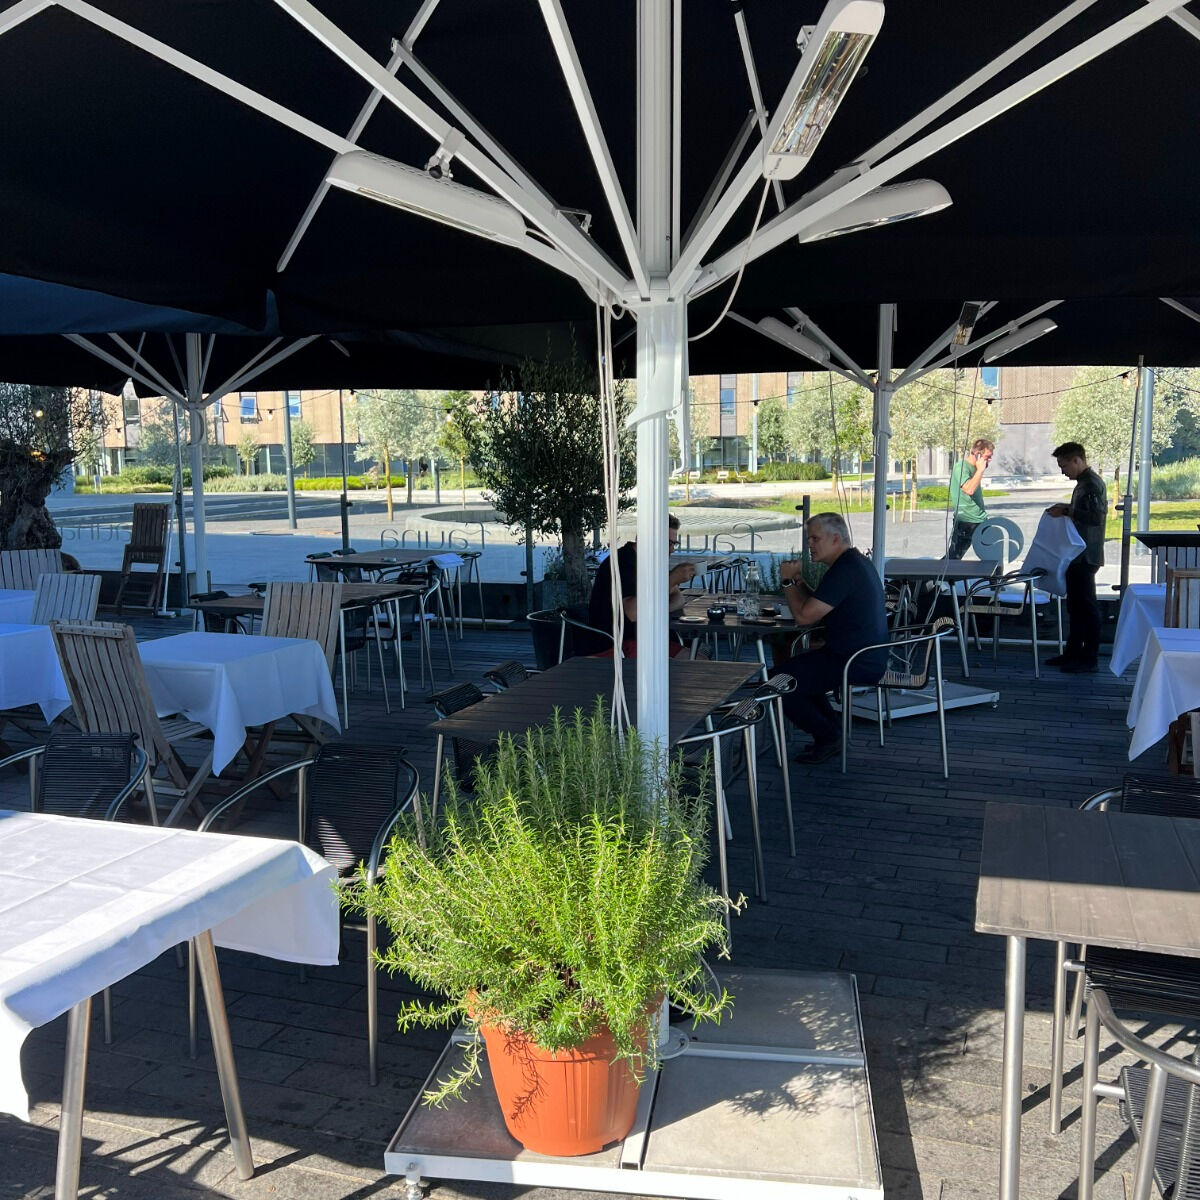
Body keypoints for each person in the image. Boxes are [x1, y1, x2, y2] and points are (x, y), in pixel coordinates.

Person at [774, 512, 890, 764]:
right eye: (809, 539)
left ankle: (829, 737)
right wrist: (798, 581)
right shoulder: (851, 563)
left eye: (815, 538)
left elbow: (804, 617)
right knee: (795, 675)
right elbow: (818, 604)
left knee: (779, 681)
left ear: (836, 538)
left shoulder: (845, 570)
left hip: (855, 660)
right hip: (859, 654)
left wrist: (786, 581)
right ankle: (832, 735)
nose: (809, 544)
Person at [588, 513, 695, 656]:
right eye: (667, 543)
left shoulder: (652, 561)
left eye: (674, 543)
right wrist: (672, 579)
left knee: (700, 655)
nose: (672, 550)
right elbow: (633, 613)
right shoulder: (621, 563)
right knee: (696, 660)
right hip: (617, 645)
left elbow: (678, 598)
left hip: (647, 639)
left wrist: (655, 610)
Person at [1045, 441, 1107, 673]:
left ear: (1076, 460)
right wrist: (1066, 508)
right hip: (1079, 554)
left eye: (1064, 465)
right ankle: (1073, 653)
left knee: (1086, 607)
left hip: (1085, 554)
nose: (1063, 471)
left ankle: (1089, 658)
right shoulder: (1085, 483)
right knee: (1076, 606)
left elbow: (1096, 517)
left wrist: (1066, 511)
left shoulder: (1091, 484)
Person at [947, 438, 995, 559]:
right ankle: (931, 571)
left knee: (993, 556)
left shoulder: (975, 469)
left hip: (980, 519)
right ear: (977, 454)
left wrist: (979, 470)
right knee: (953, 558)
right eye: (987, 457)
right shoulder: (961, 467)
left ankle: (995, 573)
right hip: (966, 521)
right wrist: (980, 471)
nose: (990, 460)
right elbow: (969, 489)